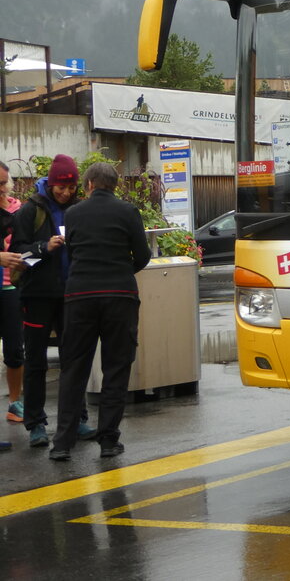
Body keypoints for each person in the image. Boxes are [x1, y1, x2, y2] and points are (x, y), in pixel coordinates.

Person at [49, 162, 151, 460]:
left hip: (80, 296)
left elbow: (74, 251)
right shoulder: (128, 212)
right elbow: (142, 255)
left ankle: (62, 444)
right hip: (120, 296)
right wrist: (121, 272)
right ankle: (108, 441)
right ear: (115, 186)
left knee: (74, 368)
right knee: (116, 368)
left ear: (89, 184)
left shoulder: (73, 213)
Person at [10, 154, 95, 448]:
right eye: (61, 187)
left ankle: (78, 419)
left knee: (74, 360)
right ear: (52, 182)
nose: (66, 193)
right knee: (36, 362)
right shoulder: (29, 211)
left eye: (71, 188)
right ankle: (35, 424)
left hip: (72, 295)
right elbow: (19, 258)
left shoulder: (79, 210)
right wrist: (43, 247)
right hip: (37, 296)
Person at [0, 161, 26, 439]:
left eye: (5, 182)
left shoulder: (18, 209)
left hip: (11, 288)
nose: (3, 188)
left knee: (15, 350)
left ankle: (14, 403)